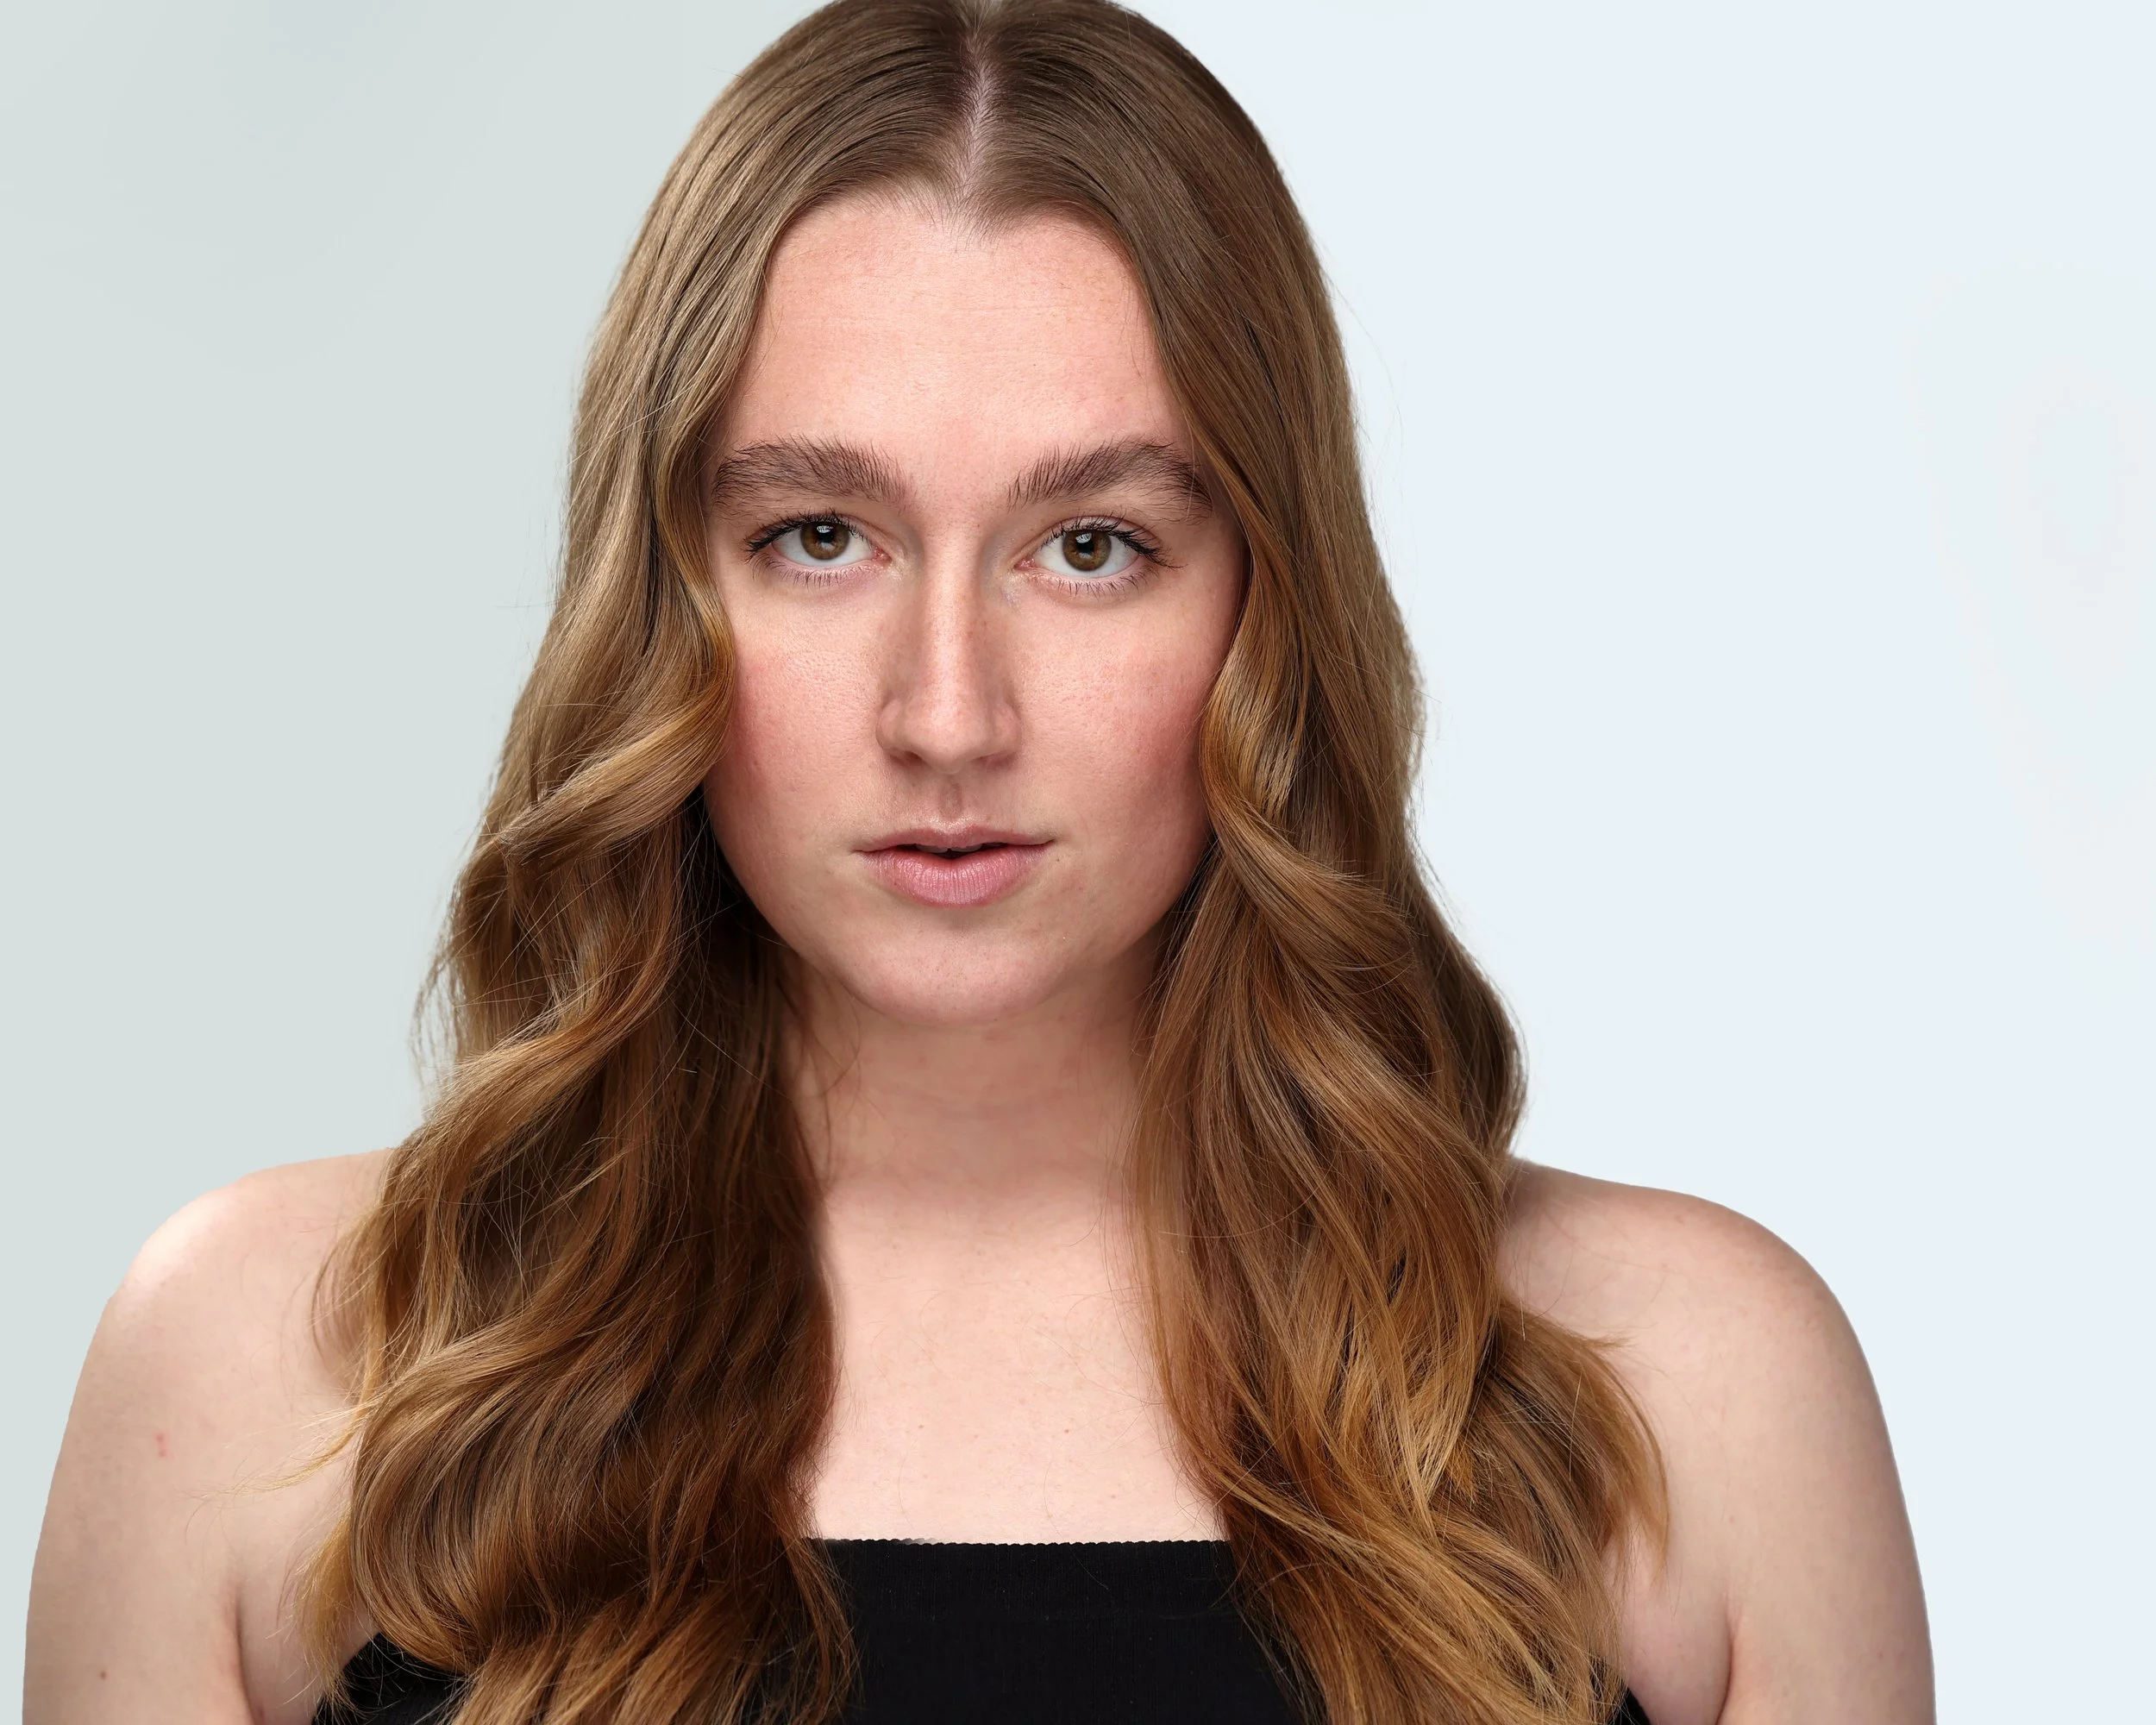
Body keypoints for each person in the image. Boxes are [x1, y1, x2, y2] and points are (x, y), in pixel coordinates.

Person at [24, 3, 1933, 1722]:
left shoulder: (1685, 1398)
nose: (948, 713)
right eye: (818, 537)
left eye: (1089, 543)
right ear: (657, 594)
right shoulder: (268, 1381)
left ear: (1266, 613)